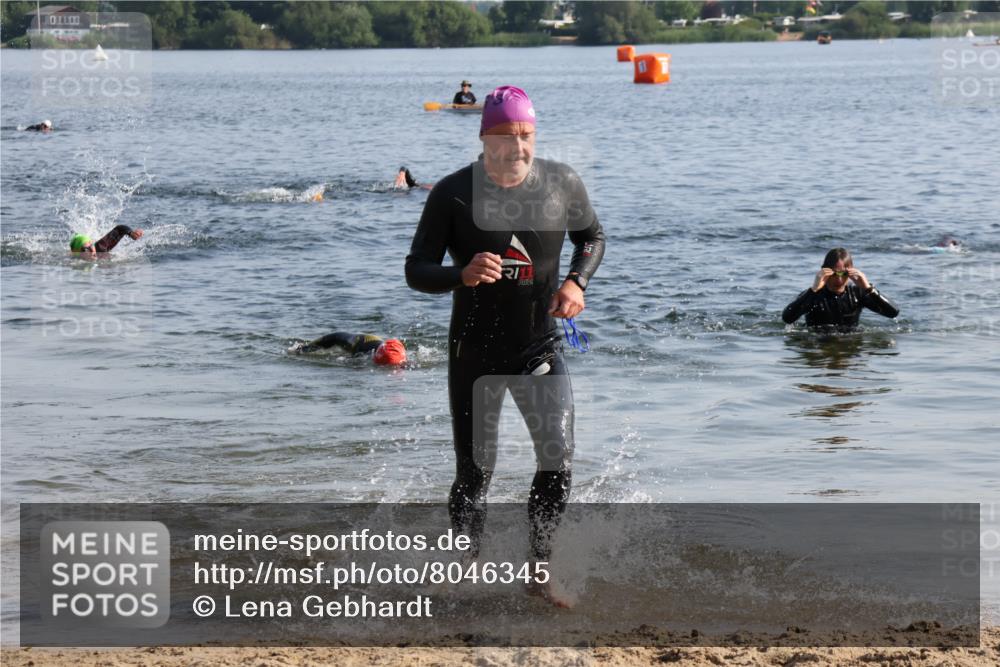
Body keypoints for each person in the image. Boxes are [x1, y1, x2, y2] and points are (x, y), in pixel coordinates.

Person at [406, 85, 605, 607]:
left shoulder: (562, 182)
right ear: (484, 136)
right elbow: (416, 269)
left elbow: (593, 237)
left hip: (539, 345)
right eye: (506, 136)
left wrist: (576, 283)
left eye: (526, 135)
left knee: (558, 460)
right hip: (474, 351)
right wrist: (460, 274)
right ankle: (464, 564)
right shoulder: (452, 194)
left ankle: (539, 570)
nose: (518, 146)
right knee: (476, 469)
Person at [782, 247, 899, 329]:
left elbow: (893, 313)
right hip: (819, 344)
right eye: (834, 274)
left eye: (843, 274)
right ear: (824, 271)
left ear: (852, 272)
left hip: (849, 344)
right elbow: (787, 318)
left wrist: (869, 289)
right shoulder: (813, 295)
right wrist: (813, 290)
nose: (839, 280)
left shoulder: (857, 294)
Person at [292, 332, 407, 366]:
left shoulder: (402, 361)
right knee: (303, 350)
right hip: (357, 340)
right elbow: (336, 337)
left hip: (384, 347)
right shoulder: (362, 356)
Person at [69, 225, 144, 255]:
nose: (91, 251)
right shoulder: (76, 260)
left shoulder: (100, 248)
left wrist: (131, 233)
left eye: (91, 246)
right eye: (85, 249)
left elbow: (120, 229)